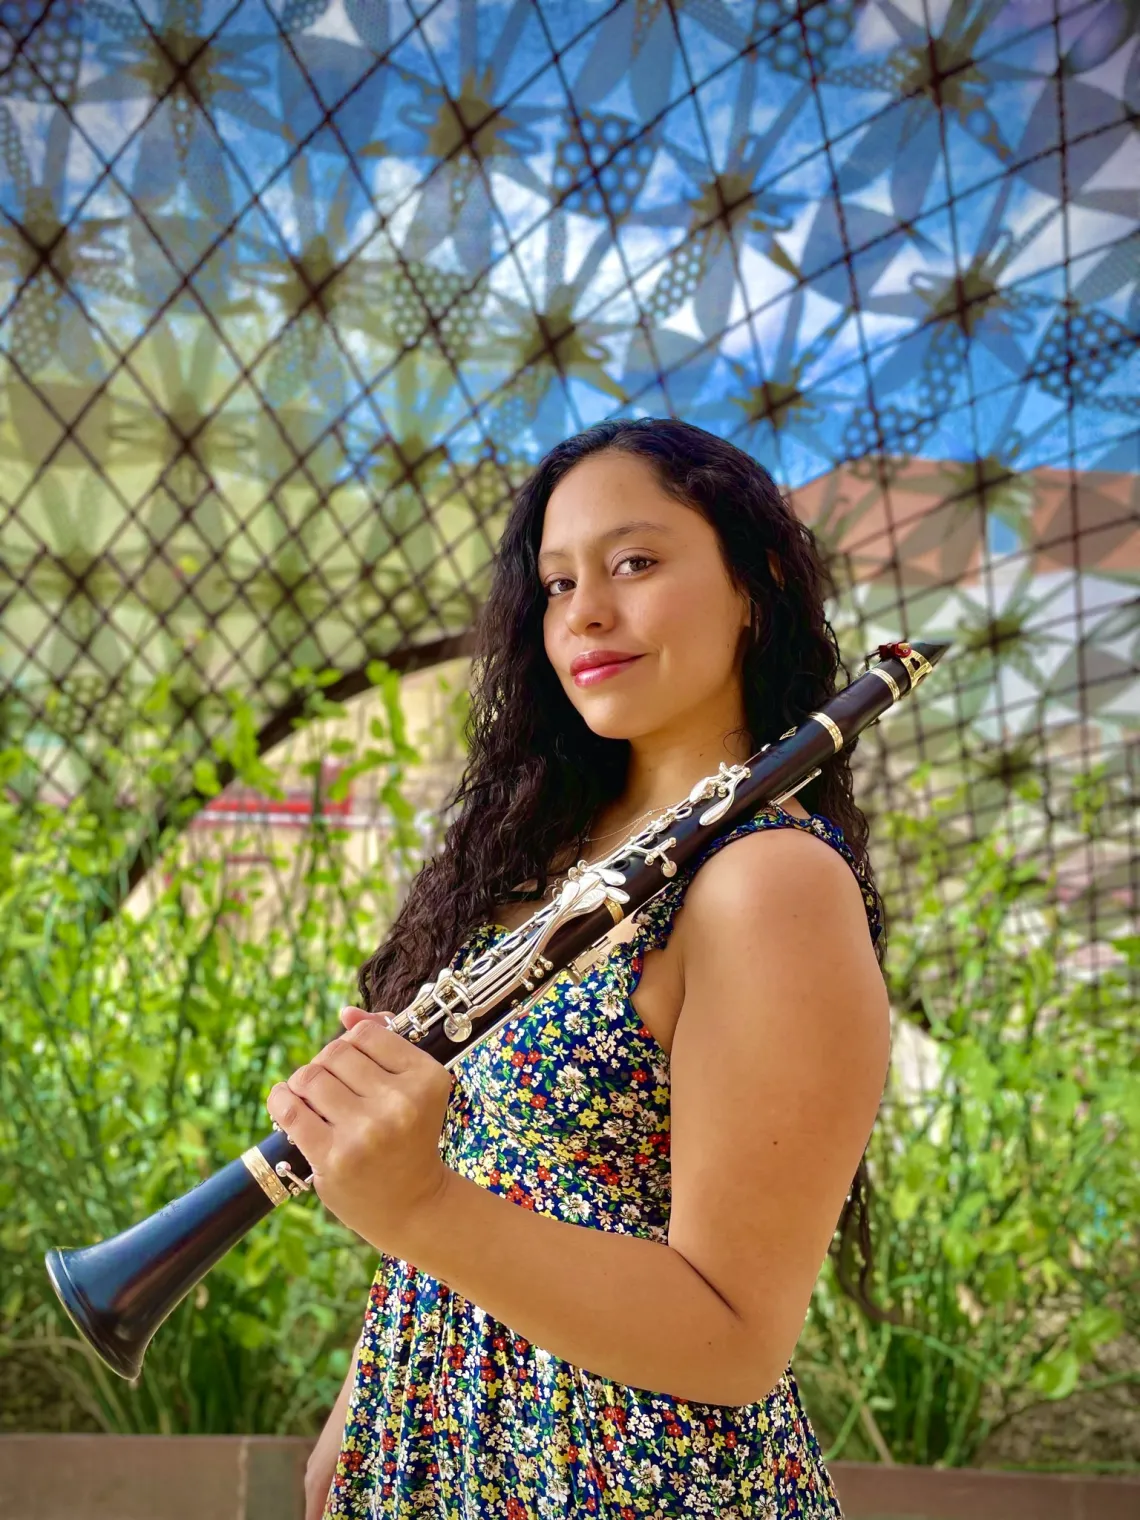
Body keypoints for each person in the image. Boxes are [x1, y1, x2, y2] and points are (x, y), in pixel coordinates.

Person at [271, 418, 891, 1519]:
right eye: (557, 583)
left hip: (624, 1480)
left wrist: (410, 1199)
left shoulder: (767, 882)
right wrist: (353, 1421)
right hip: (441, 1444)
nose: (586, 612)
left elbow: (737, 1337)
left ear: (760, 581)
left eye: (635, 562)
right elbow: (489, 1180)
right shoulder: (539, 860)